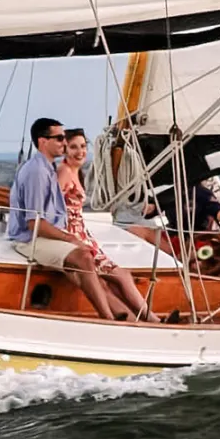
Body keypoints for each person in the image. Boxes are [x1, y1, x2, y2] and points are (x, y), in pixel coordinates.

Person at [8, 118, 116, 320]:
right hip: (28, 239)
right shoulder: (37, 172)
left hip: (43, 235)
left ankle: (121, 315)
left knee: (87, 258)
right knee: (83, 256)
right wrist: (70, 239)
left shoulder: (47, 167)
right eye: (58, 138)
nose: (64, 143)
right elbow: (34, 223)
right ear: (42, 142)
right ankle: (108, 318)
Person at [57, 129, 160, 322]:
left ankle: (134, 319)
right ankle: (152, 320)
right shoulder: (64, 171)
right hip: (74, 236)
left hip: (82, 234)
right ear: (64, 150)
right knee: (121, 276)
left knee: (111, 281)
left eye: (82, 146)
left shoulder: (74, 171)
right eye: (73, 147)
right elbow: (53, 205)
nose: (80, 151)